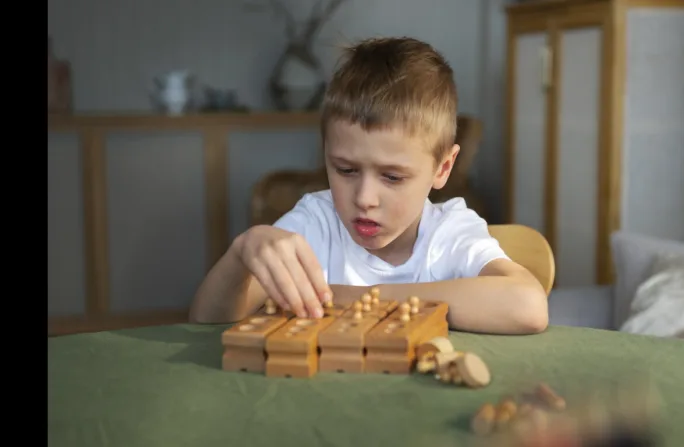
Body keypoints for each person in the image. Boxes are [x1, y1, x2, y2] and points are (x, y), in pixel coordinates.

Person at [189, 37, 548, 334]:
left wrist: (357, 297)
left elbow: (527, 306)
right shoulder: (315, 222)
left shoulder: (450, 232)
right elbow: (208, 320)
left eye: (392, 177)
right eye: (345, 169)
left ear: (443, 168)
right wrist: (240, 255)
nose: (364, 199)